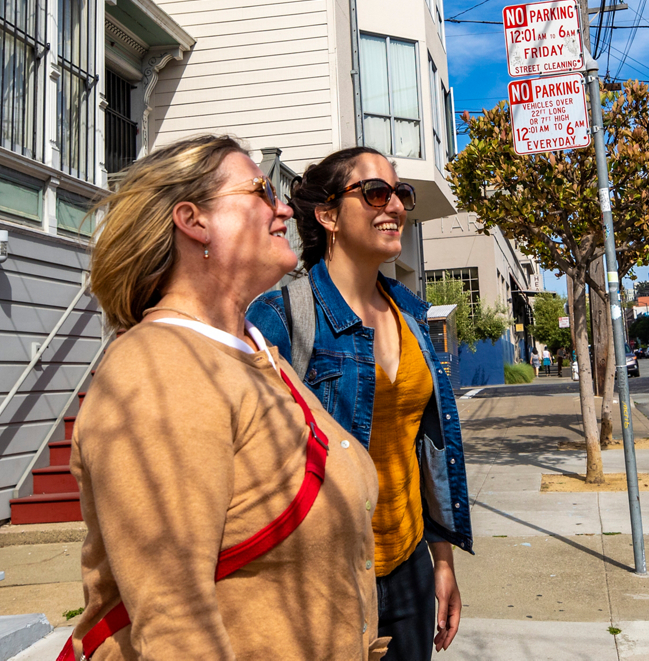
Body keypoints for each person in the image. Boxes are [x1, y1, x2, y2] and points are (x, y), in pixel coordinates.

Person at [70, 135, 389, 660]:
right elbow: (177, 626)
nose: (283, 206)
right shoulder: (158, 373)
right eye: (262, 191)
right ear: (194, 222)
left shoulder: (254, 350)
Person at [249, 147, 471, 661]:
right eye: (376, 192)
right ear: (328, 215)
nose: (394, 204)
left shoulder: (413, 317)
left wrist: (443, 562)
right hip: (324, 579)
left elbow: (426, 451)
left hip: (410, 566)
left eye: (401, 194)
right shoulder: (282, 317)